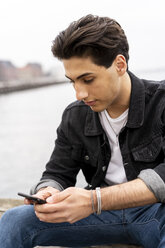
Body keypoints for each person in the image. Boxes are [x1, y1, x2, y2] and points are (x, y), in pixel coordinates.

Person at [0, 14, 165, 248]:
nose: (79, 94)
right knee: (14, 221)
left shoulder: (161, 102)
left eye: (88, 79)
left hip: (156, 215)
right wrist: (48, 191)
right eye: (73, 81)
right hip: (99, 217)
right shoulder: (74, 115)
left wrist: (94, 199)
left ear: (120, 65)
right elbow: (57, 173)